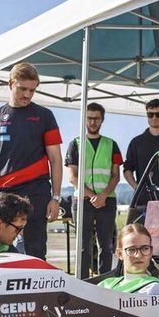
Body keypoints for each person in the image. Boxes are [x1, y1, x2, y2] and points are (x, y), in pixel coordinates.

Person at [0, 63, 63, 261]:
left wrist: (56, 197)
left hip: (37, 191)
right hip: (4, 194)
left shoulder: (45, 116)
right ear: (10, 84)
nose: (27, 95)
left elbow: (56, 160)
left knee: (35, 251)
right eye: (22, 89)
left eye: (32, 90)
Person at [65, 102, 123, 279]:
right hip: (83, 201)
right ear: (84, 120)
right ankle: (81, 282)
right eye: (89, 118)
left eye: (96, 118)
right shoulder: (75, 144)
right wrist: (93, 196)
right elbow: (73, 177)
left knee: (106, 245)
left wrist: (103, 195)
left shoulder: (111, 144)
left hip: (107, 200)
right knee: (83, 246)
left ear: (102, 120)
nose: (92, 122)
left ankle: (105, 280)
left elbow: (116, 175)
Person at [98, 224, 159, 295]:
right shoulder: (105, 285)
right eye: (132, 250)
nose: (138, 255)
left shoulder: (153, 288)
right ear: (120, 254)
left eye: (145, 248)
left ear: (151, 252)